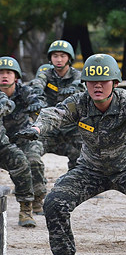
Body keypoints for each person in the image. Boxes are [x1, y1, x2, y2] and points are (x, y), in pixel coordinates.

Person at [21, 54, 126, 255]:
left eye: (103, 81)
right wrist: (37, 129)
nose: (97, 86)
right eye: (92, 81)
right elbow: (55, 114)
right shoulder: (81, 102)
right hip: (90, 170)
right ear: (85, 84)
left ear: (115, 83)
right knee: (54, 202)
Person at [0, 56, 44, 226]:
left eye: (8, 72)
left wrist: (35, 106)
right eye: (1, 72)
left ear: (16, 77)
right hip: (3, 140)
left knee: (32, 161)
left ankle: (33, 203)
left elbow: (37, 99)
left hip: (22, 139)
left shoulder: (24, 91)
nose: (4, 76)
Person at [29, 40, 84, 170]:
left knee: (83, 159)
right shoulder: (46, 74)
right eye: (55, 56)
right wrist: (37, 98)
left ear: (69, 58)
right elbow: (38, 84)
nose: (59, 59)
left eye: (62, 56)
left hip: (72, 129)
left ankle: (75, 184)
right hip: (49, 127)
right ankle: (34, 188)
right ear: (50, 58)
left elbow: (80, 85)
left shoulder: (77, 75)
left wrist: (73, 89)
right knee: (30, 152)